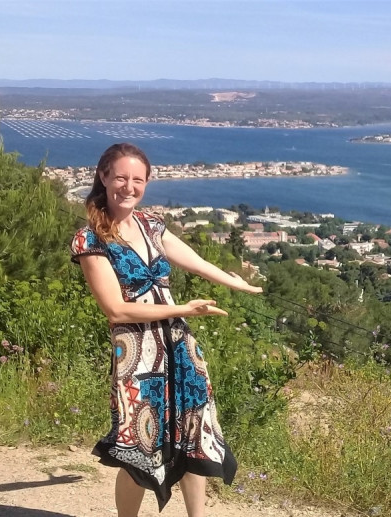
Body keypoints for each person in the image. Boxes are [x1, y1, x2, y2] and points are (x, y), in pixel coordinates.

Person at [70, 142, 262, 516]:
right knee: (137, 450)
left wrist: (235, 282)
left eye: (137, 179)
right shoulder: (89, 239)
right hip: (137, 354)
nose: (129, 187)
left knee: (194, 437)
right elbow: (115, 310)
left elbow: (196, 261)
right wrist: (184, 308)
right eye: (121, 177)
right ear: (104, 176)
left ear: (147, 182)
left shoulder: (151, 224)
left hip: (180, 347)